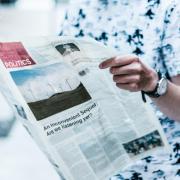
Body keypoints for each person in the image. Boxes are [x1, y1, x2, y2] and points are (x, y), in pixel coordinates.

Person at [60, 0, 180, 179]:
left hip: (156, 170)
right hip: (95, 165)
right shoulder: (78, 8)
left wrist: (152, 84)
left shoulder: (170, 9)